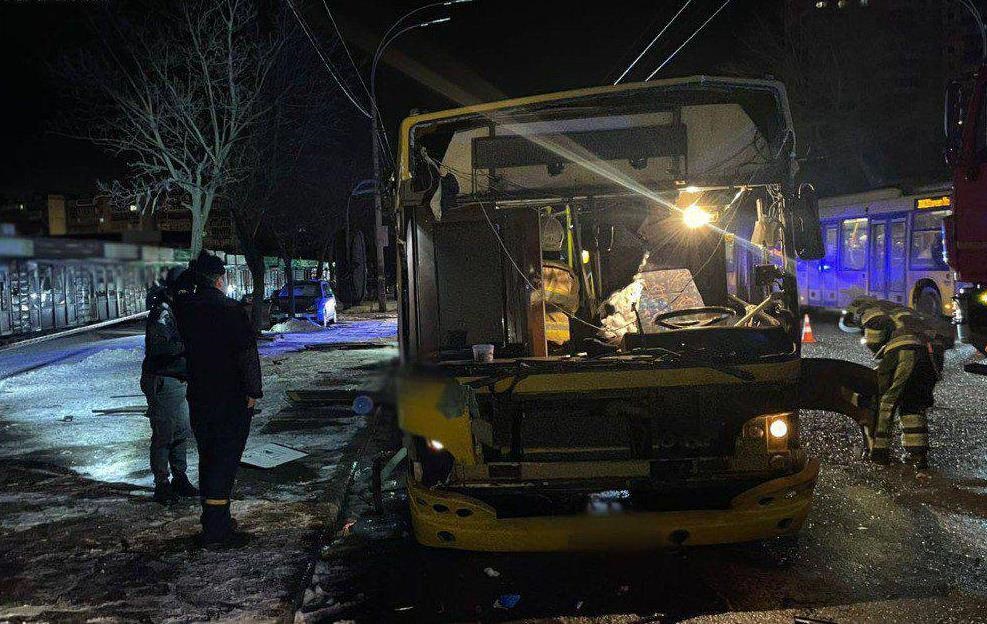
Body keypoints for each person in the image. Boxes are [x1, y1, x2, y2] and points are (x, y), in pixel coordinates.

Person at [174, 251, 262, 548]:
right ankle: (217, 527)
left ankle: (214, 518)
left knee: (208, 455)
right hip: (231, 396)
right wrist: (253, 392)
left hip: (200, 396)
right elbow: (247, 355)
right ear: (221, 279)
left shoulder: (185, 309)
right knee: (225, 458)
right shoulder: (230, 310)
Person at [843, 297, 942, 470]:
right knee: (912, 405)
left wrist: (885, 362)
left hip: (905, 353)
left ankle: (879, 454)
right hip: (931, 357)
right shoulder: (902, 311)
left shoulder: (868, 313)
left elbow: (874, 341)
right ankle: (918, 456)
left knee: (885, 402)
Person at [142, 267, 198, 504]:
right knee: (164, 434)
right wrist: (189, 343)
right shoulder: (162, 313)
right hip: (163, 379)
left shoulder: (176, 309)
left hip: (177, 380)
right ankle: (162, 483)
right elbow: (160, 348)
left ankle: (179, 477)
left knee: (181, 432)